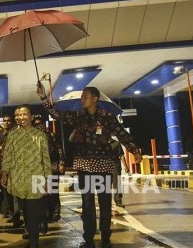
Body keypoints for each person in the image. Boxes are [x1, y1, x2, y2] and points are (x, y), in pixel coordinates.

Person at [37, 85, 142, 248]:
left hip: (104, 165)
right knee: (87, 204)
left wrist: (135, 151)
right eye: (82, 97)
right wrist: (44, 97)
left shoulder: (107, 116)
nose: (82, 99)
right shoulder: (78, 116)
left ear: (95, 98)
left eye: (85, 97)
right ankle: (89, 239)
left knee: (105, 203)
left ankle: (106, 238)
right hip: (84, 165)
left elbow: (122, 134)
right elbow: (56, 114)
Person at [1, 105, 51, 248]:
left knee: (33, 214)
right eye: (18, 115)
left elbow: (45, 158)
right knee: (26, 214)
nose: (20, 117)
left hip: (36, 180)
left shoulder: (40, 135)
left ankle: (34, 243)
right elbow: (8, 156)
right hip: (18, 179)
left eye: (24, 114)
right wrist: (5, 172)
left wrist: (48, 180)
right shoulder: (12, 135)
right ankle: (32, 236)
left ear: (31, 116)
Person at [109, 138, 124, 207]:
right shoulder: (100, 143)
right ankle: (106, 202)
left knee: (117, 184)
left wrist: (126, 166)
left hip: (115, 165)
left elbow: (121, 155)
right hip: (104, 166)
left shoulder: (116, 143)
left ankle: (118, 201)